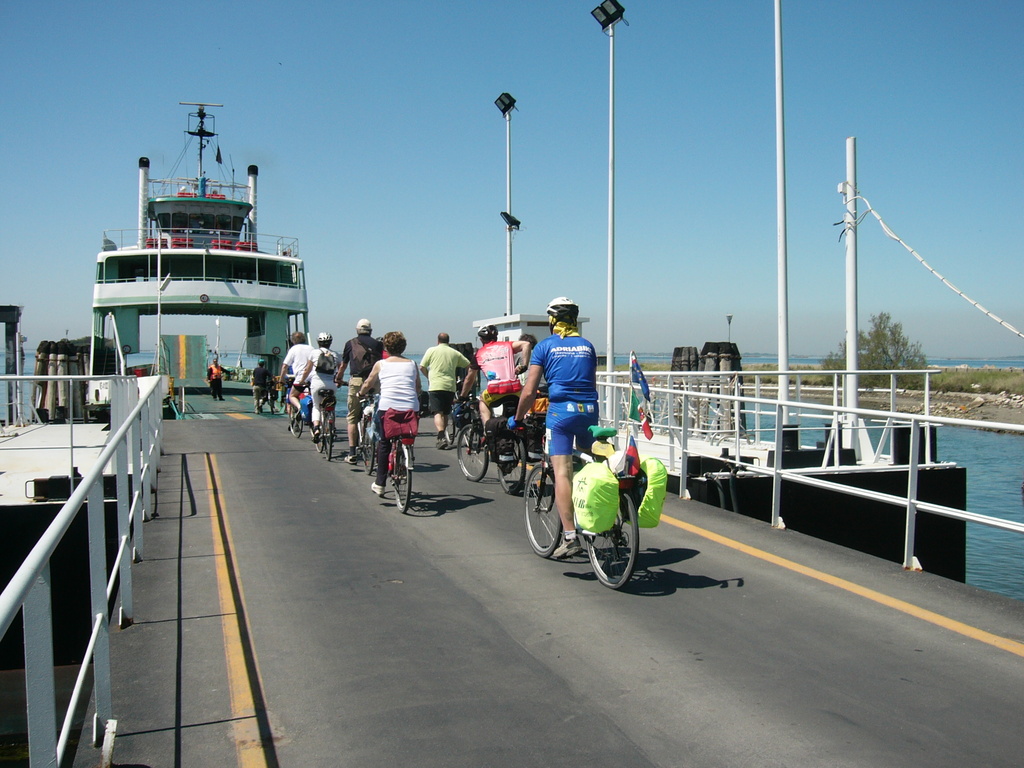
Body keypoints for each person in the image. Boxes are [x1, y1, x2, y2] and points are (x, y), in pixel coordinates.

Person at [510, 297, 598, 559]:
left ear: (552, 321)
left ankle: (570, 536)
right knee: (590, 465)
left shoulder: (545, 347)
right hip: (589, 411)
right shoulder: (587, 346)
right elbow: (589, 382)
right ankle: (597, 514)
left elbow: (529, 390)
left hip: (561, 414)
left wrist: (518, 416)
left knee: (562, 473)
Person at [358, 331, 421, 497]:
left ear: (386, 346)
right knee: (407, 437)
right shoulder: (412, 364)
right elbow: (418, 387)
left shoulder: (381, 364)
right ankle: (406, 458)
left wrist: (361, 393)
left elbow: (368, 383)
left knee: (384, 443)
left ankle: (380, 484)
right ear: (404, 346)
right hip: (410, 408)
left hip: (388, 408)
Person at [459, 325, 532, 424]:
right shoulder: (507, 346)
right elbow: (526, 344)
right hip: (515, 390)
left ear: (481, 339)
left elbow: (469, 379)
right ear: (496, 336)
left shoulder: (479, 354)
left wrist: (462, 396)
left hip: (495, 391)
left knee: (483, 401)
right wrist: (524, 365)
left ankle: (488, 429)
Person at [339, 319, 384, 464]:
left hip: (357, 381)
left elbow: (343, 365)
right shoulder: (378, 344)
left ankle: (352, 453)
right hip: (374, 380)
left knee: (352, 417)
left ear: (357, 330)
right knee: (377, 412)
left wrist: (338, 377)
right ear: (370, 331)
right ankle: (376, 448)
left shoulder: (350, 343)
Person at [419, 332, 472, 449]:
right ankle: (443, 434)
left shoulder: (431, 351)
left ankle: (441, 435)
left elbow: (422, 367)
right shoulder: (455, 353)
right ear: (448, 341)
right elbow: (469, 365)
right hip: (449, 386)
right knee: (446, 412)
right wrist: (467, 378)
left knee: (438, 412)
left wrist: (428, 377)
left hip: (435, 385)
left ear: (437, 341)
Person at [295, 332, 339, 441]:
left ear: (318, 343)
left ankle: (316, 428)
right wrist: (339, 380)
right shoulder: (336, 354)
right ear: (330, 343)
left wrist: (302, 381)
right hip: (331, 385)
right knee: (331, 405)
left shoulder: (314, 353)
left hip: (317, 384)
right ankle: (331, 425)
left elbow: (307, 370)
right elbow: (340, 369)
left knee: (316, 406)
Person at [279, 331, 315, 420]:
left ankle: (300, 408)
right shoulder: (312, 348)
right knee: (314, 398)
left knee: (292, 396)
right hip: (314, 377)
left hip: (300, 378)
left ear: (293, 341)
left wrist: (281, 378)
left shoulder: (294, 349)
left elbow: (285, 366)